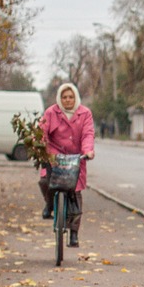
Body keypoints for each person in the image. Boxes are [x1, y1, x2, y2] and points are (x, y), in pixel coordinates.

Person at [38, 83, 96, 248]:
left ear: (76, 97)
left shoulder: (85, 113)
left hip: (76, 158)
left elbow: (88, 134)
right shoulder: (51, 112)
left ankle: (74, 234)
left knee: (75, 194)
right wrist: (42, 149)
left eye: (71, 97)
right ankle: (49, 205)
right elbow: (42, 132)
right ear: (59, 98)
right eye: (64, 97)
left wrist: (88, 151)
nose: (68, 100)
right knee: (45, 181)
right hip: (54, 156)